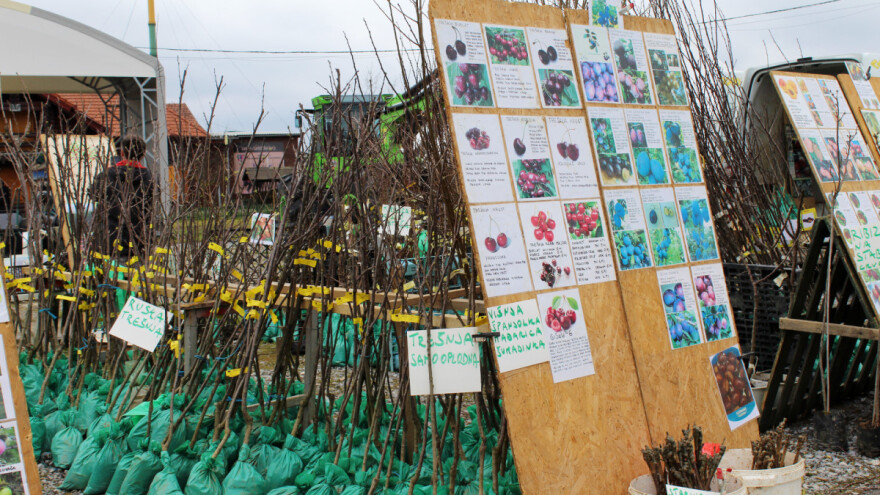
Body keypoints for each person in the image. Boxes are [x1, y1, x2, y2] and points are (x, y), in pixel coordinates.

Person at [89, 135, 155, 258]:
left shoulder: (107, 175)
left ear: (122, 152)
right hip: (139, 241)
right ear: (143, 154)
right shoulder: (149, 178)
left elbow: (92, 194)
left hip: (108, 239)